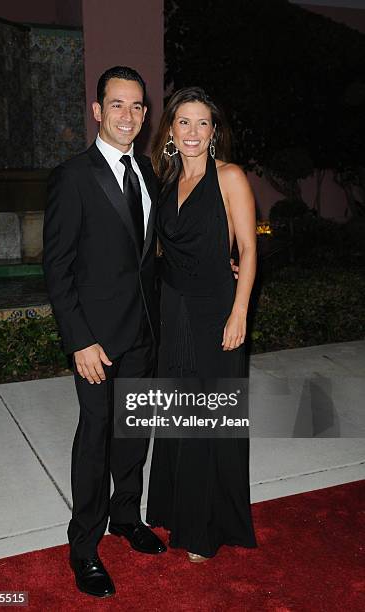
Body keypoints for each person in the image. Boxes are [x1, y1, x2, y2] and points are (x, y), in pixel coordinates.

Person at [43, 66, 166, 599]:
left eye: (137, 106)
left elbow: (151, 256)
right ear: (97, 110)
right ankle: (84, 546)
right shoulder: (74, 176)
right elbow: (57, 266)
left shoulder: (147, 173)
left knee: (133, 434)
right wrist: (78, 340)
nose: (129, 116)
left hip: (142, 333)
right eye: (117, 104)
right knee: (94, 439)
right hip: (95, 341)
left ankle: (126, 518)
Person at [146, 87, 258, 562]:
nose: (193, 131)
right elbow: (158, 251)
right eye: (184, 122)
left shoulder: (230, 176)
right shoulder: (164, 181)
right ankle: (176, 509)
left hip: (216, 311)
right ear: (170, 131)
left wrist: (239, 311)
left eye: (203, 123)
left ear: (214, 132)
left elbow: (249, 250)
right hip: (174, 311)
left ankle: (206, 528)